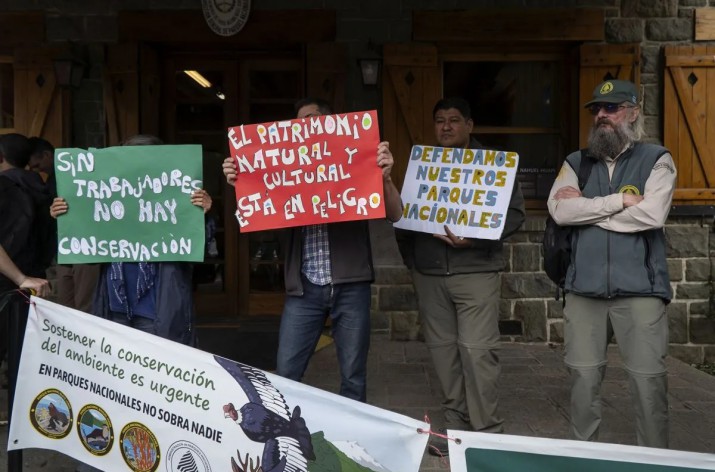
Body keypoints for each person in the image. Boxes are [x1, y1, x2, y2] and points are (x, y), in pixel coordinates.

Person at [222, 97, 403, 402]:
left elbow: (395, 213)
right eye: (299, 121)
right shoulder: (287, 166)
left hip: (351, 286)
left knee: (353, 377)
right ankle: (287, 437)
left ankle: (353, 443)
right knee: (287, 373)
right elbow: (260, 216)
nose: (303, 126)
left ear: (331, 125)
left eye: (312, 118)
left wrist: (383, 177)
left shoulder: (355, 159)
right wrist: (242, 181)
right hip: (304, 289)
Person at [547, 79, 675, 448]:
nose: (602, 115)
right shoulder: (576, 161)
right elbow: (559, 210)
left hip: (641, 292)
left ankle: (655, 465)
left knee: (648, 385)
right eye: (597, 110)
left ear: (633, 112)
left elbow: (651, 217)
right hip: (583, 291)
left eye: (612, 108)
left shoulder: (657, 159)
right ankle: (585, 461)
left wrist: (585, 208)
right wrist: (617, 202)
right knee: (583, 386)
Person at [395, 97, 525, 456]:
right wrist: (415, 263)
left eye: (454, 120)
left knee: (477, 351)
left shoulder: (493, 166)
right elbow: (403, 219)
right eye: (440, 120)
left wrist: (476, 238)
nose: (446, 127)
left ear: (470, 125)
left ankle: (488, 433)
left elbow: (514, 216)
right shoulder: (423, 166)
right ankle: (456, 427)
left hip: (476, 271)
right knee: (442, 352)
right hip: (430, 274)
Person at [50, 134, 212, 346]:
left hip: (156, 307)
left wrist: (204, 214)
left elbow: (200, 247)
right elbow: (83, 244)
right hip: (114, 305)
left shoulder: (177, 194)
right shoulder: (107, 192)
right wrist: (66, 216)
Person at [28, 136, 100, 313]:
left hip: (91, 251)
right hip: (66, 250)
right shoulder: (57, 182)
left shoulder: (102, 186)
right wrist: (54, 212)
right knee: (65, 308)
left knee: (85, 307)